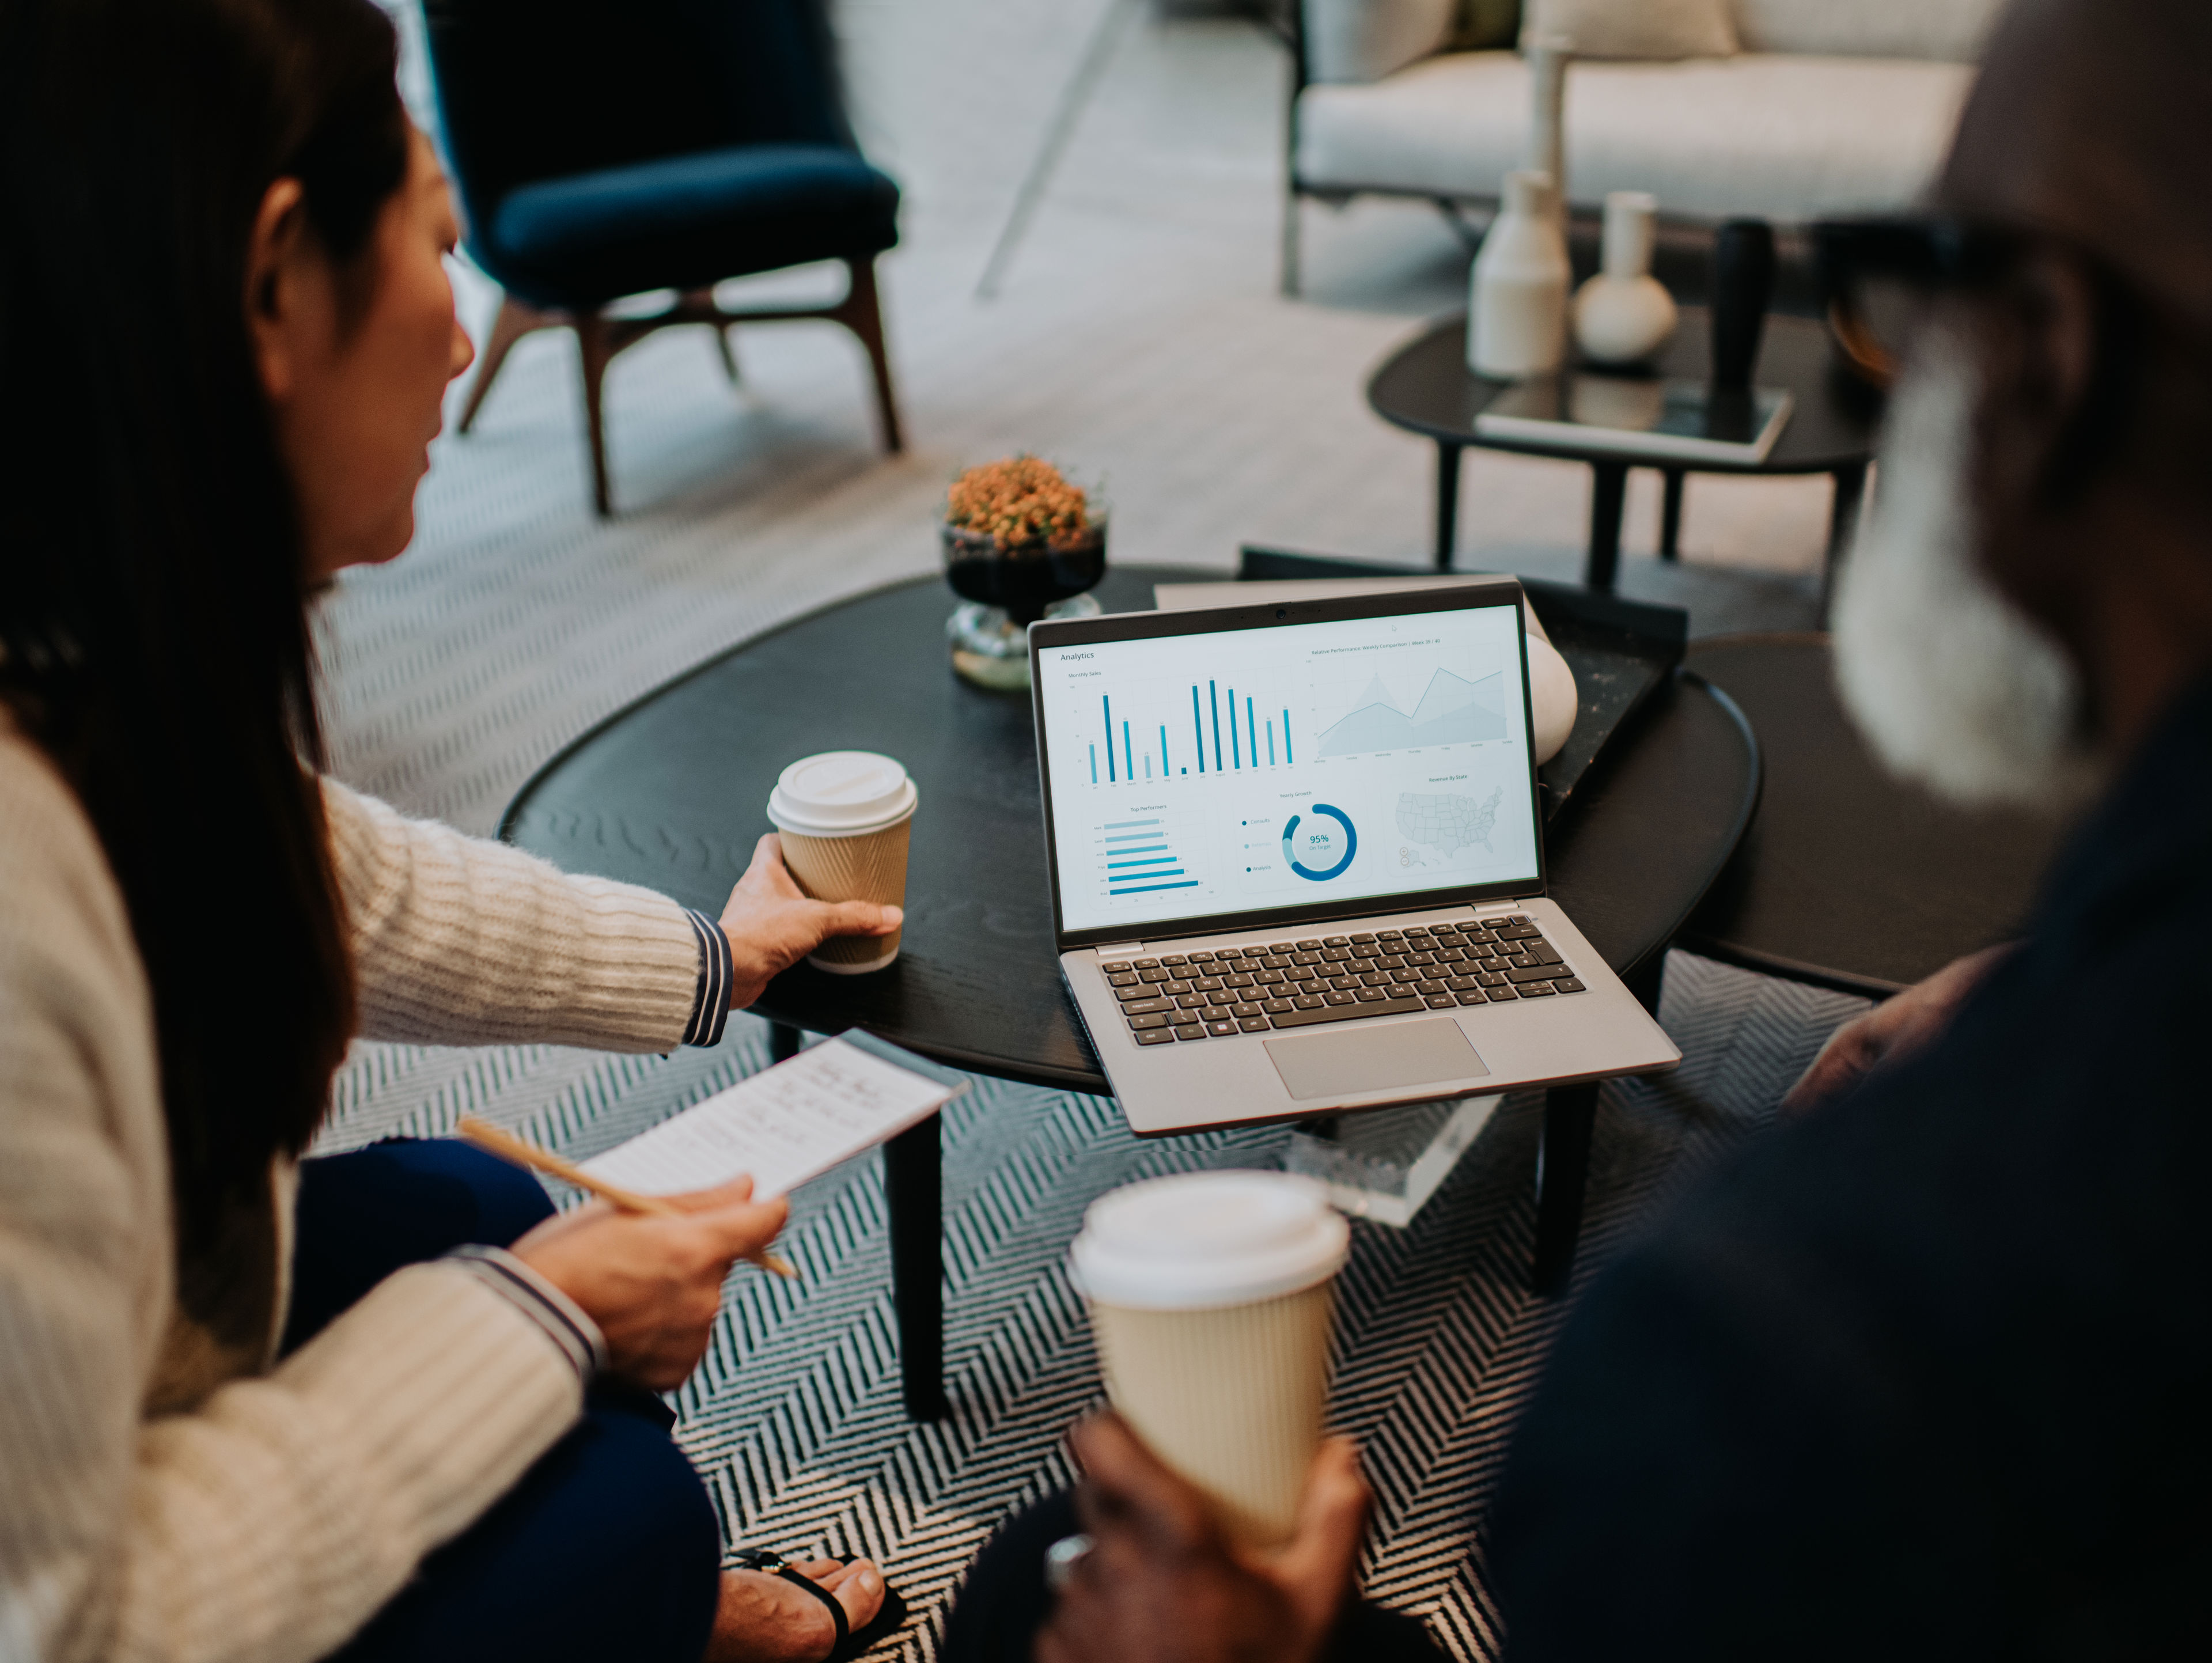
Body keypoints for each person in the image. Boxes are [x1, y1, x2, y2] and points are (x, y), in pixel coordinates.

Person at [940, 0, 2212, 1655]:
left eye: (1919, 276)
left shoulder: (1763, 1367)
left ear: (2047, 354)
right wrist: (2037, 976)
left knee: (1023, 1576)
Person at [0, 2, 897, 1660]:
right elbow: (65, 1626)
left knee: (462, 1210)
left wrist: (714, 957)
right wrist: (540, 1320)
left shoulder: (84, 657)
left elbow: (325, 876)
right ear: (275, 287)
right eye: (432, 239)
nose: (468, 336)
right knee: (624, 1498)